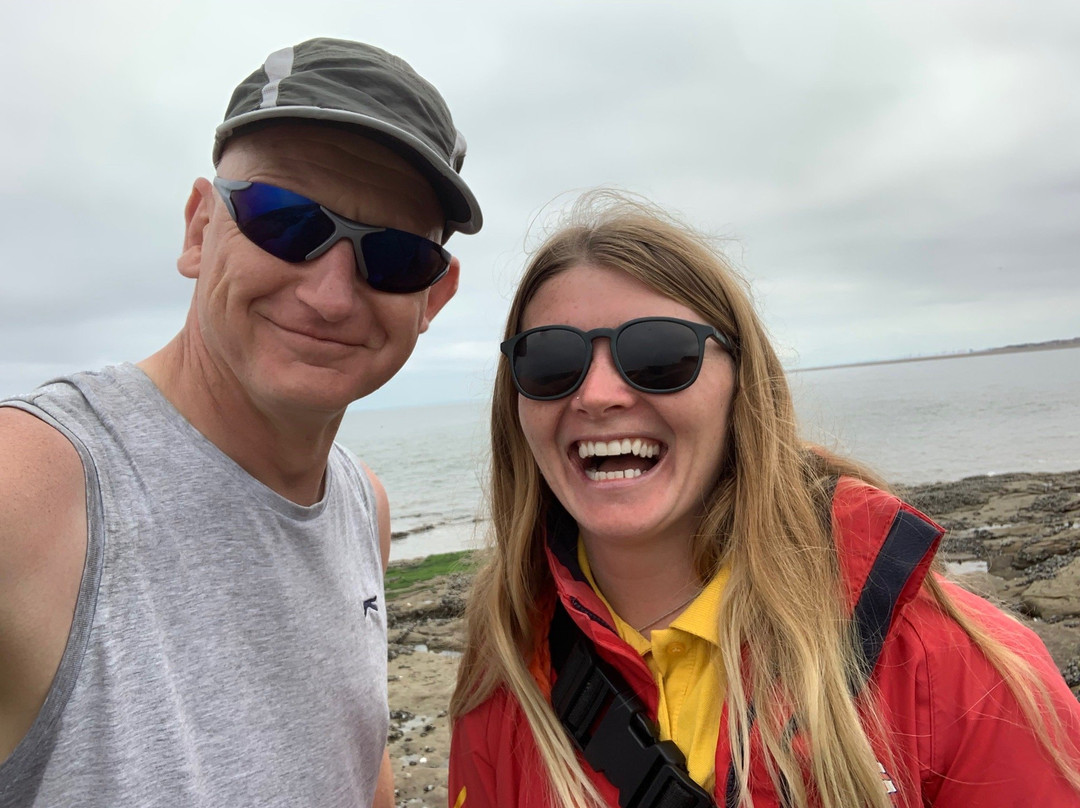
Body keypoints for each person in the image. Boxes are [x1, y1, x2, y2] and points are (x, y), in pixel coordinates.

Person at [447, 192, 1080, 808]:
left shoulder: (948, 666)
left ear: (741, 383)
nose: (598, 394)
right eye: (552, 361)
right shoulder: (504, 666)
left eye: (660, 354)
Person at [0, 38, 481, 807]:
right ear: (199, 229)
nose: (330, 295)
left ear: (433, 299)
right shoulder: (36, 489)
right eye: (284, 220)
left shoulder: (364, 507)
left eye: (391, 256)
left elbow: (355, 765)